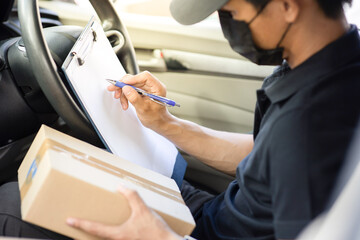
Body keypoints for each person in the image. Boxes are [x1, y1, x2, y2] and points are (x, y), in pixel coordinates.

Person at [1, 0, 359, 239]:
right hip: (208, 213)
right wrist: (166, 125)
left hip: (193, 234)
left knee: (10, 206)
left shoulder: (312, 127)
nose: (228, 25)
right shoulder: (328, 67)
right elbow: (265, 156)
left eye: (231, 12)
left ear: (287, 6)